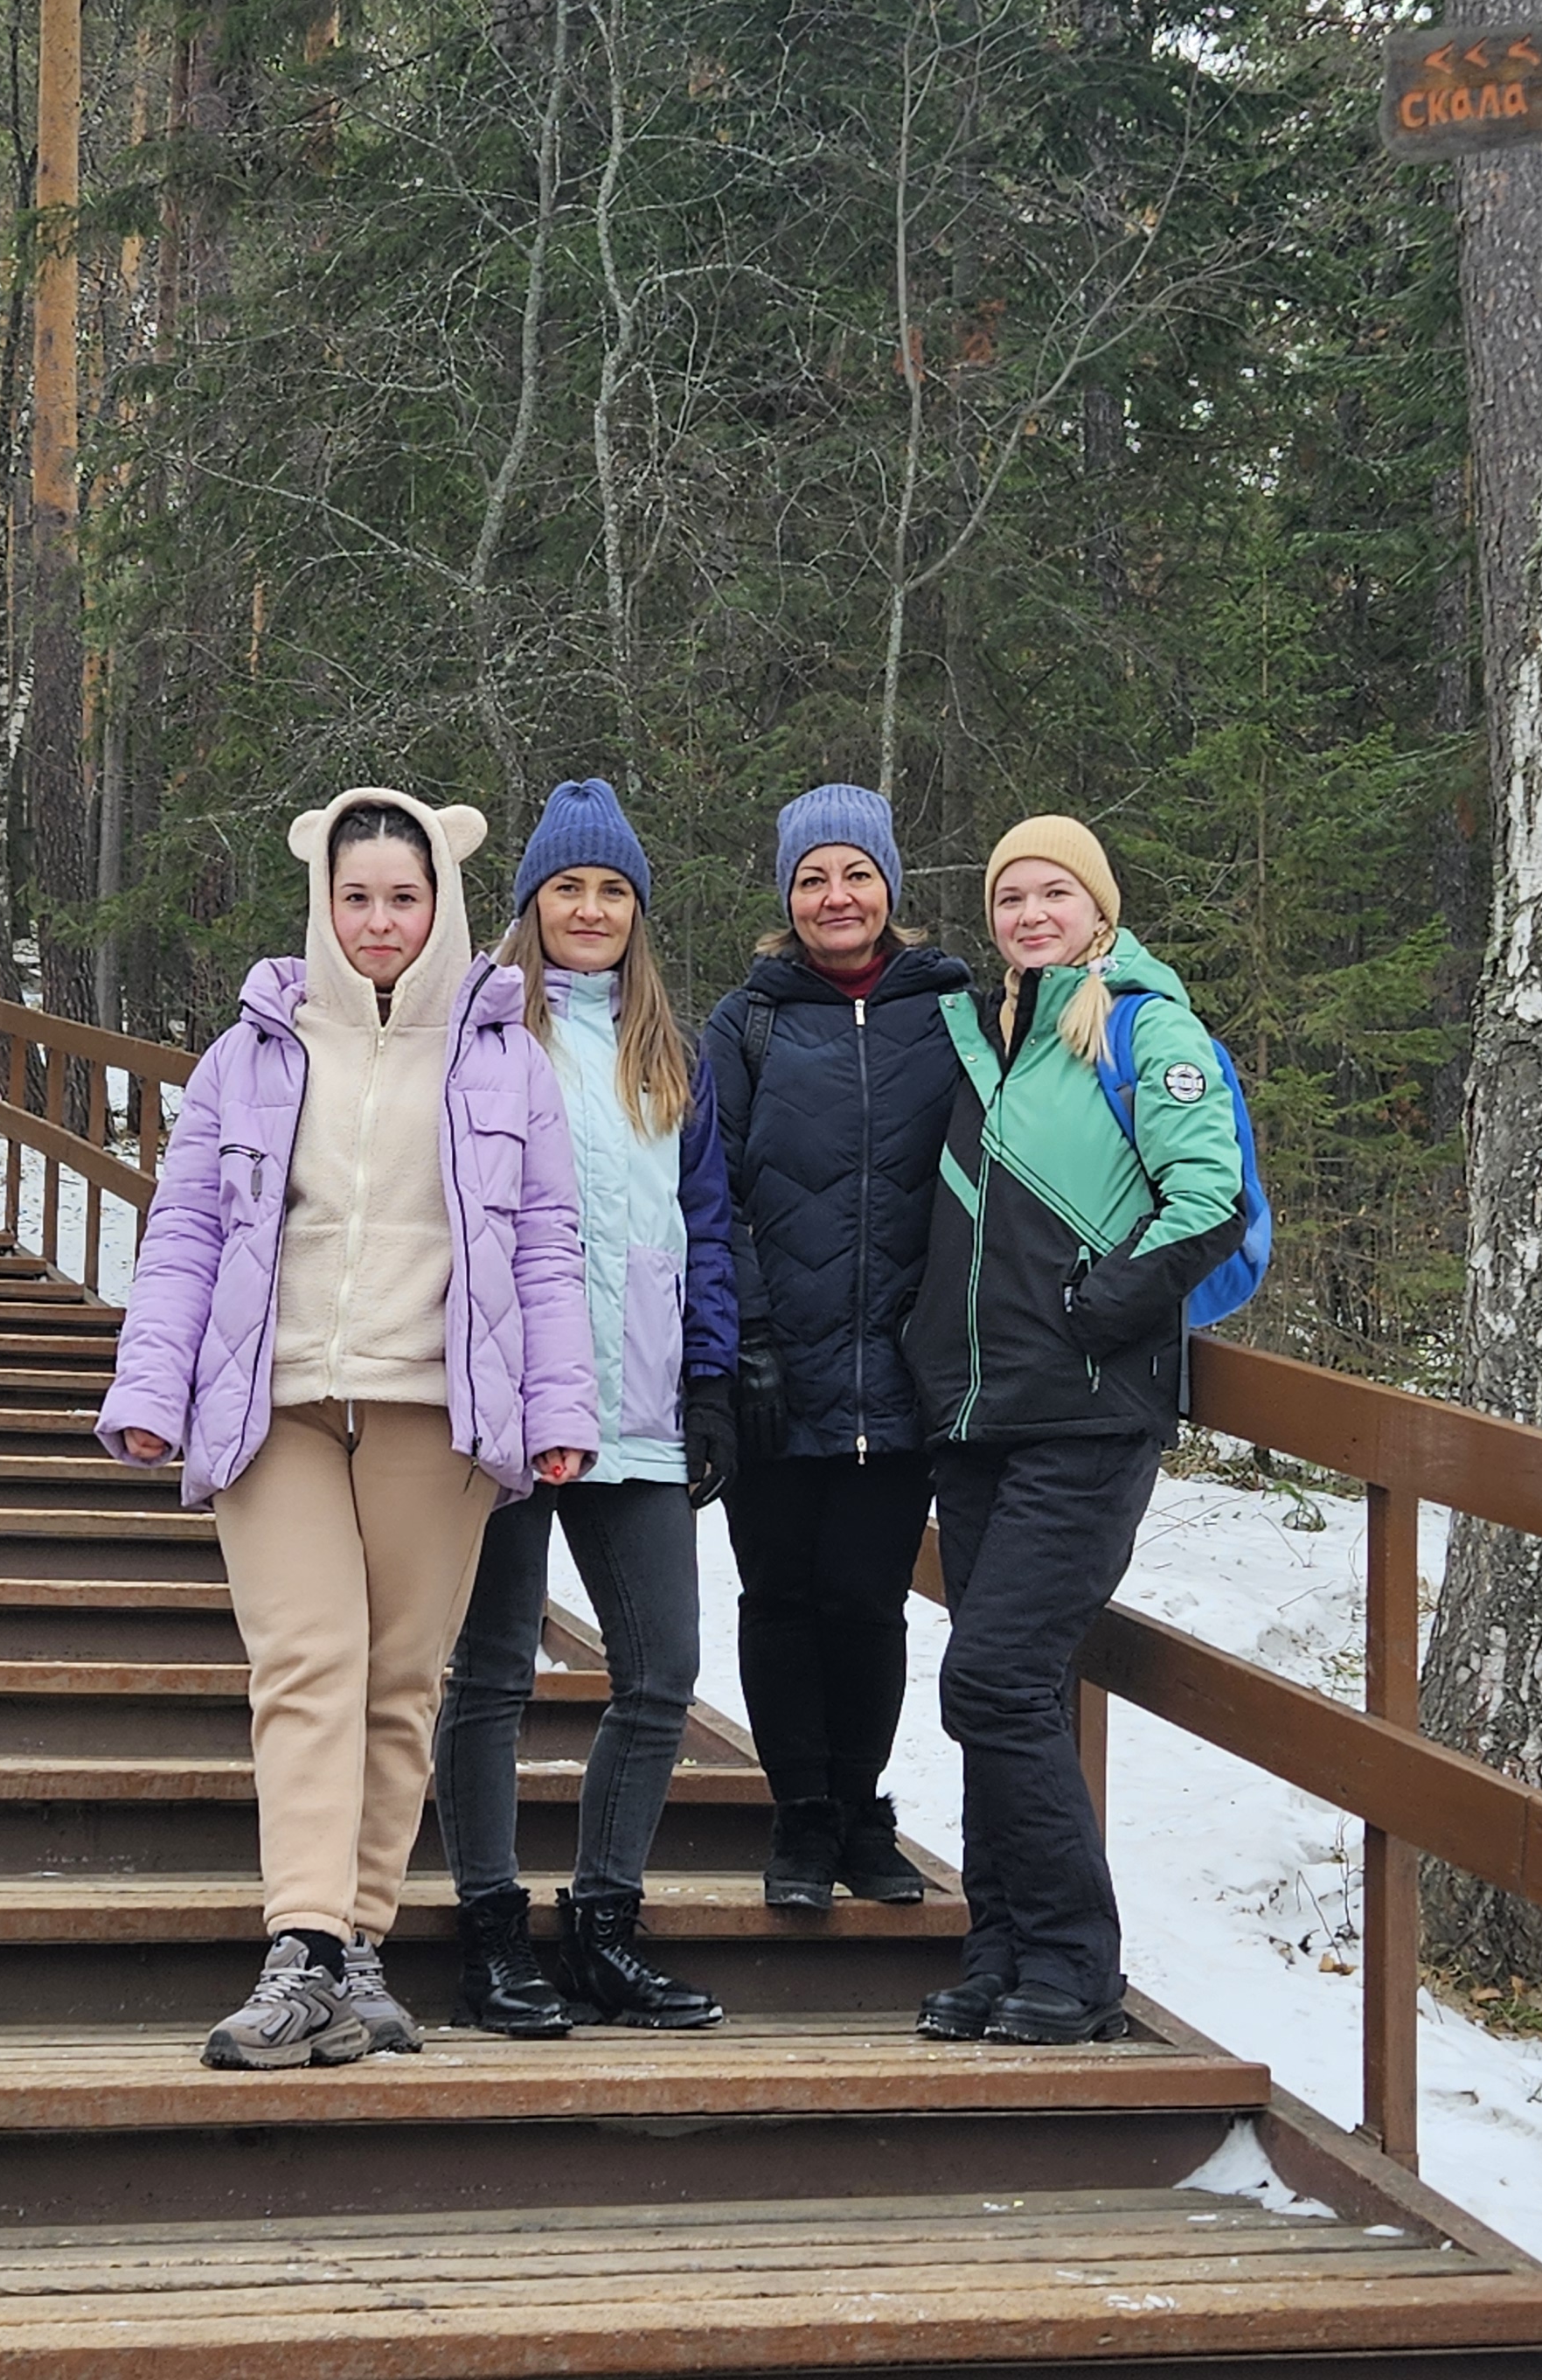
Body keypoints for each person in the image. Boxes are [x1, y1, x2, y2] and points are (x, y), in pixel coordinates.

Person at [98, 788, 597, 2070]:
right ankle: (303, 1947)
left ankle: (359, 1950)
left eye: (404, 897)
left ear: (444, 908)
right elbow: (187, 1234)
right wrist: (151, 1392)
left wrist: (560, 1408)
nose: (380, 922)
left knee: (399, 1683)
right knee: (308, 1663)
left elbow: (547, 1247)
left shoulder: (505, 1057)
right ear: (323, 903)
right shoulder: (250, 1052)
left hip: (441, 1406)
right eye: (357, 896)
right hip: (275, 1403)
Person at [903, 817, 1247, 2048]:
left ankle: (1073, 1964)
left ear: (1099, 909)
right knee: (1016, 1693)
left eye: (1056, 893)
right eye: (1011, 896)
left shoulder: (1148, 1028)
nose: (1031, 913)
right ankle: (1002, 1955)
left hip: (1088, 1419)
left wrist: (1098, 1308)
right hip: (986, 1419)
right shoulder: (999, 1035)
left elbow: (1211, 1193)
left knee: (991, 1680)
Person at [434, 781, 739, 2035]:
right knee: (495, 1668)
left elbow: (705, 1225)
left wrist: (711, 1373)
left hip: (639, 1401)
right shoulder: (486, 1032)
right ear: (529, 903)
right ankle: (491, 1928)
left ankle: (605, 1923)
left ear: (639, 912)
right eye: (569, 887)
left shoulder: (668, 1056)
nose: (592, 909)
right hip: (508, 1398)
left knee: (661, 1665)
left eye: (614, 891)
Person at [701, 784, 974, 1910]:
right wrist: (748, 1339)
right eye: (812, 877)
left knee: (866, 1602)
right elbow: (709, 1189)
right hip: (779, 1368)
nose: (835, 895)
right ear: (787, 897)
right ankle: (800, 1819)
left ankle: (864, 1813)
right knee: (779, 1597)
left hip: (902, 1374)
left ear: (889, 887)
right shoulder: (748, 1020)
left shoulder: (954, 1012)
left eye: (854, 873)